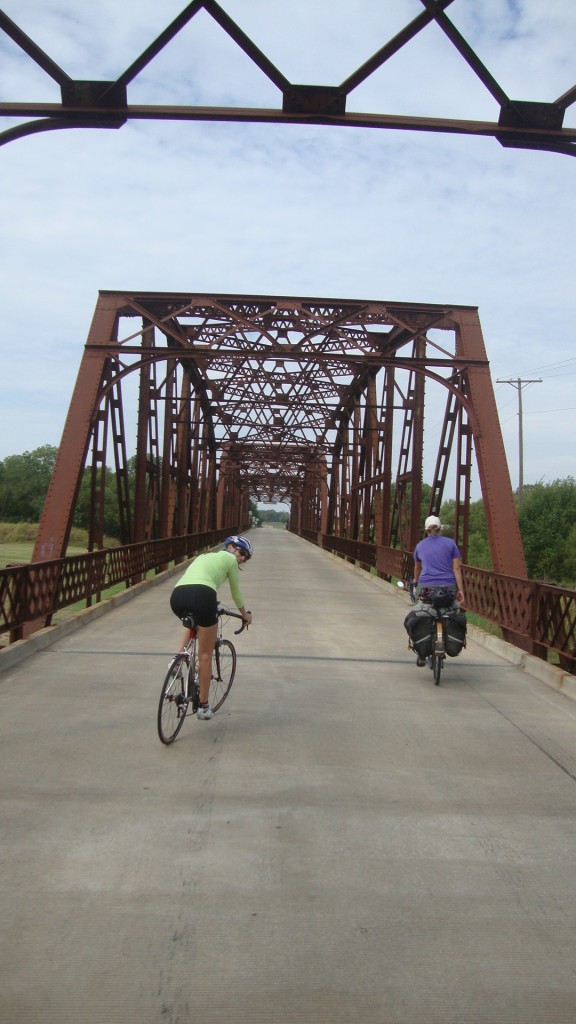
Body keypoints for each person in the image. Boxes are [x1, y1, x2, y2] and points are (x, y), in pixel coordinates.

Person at [169, 535, 253, 720]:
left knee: (194, 623)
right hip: (203, 595)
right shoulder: (229, 559)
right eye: (242, 553)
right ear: (230, 546)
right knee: (205, 655)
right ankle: (204, 707)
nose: (242, 558)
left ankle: (177, 659)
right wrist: (245, 614)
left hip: (177, 596)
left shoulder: (204, 556)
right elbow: (236, 592)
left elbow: (199, 579)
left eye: (246, 557)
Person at [413, 515, 464, 606]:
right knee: (452, 610)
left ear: (426, 529)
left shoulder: (419, 546)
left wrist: (416, 582)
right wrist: (460, 590)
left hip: (425, 586)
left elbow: (417, 568)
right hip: (448, 586)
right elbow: (456, 568)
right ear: (440, 528)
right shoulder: (451, 543)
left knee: (418, 608)